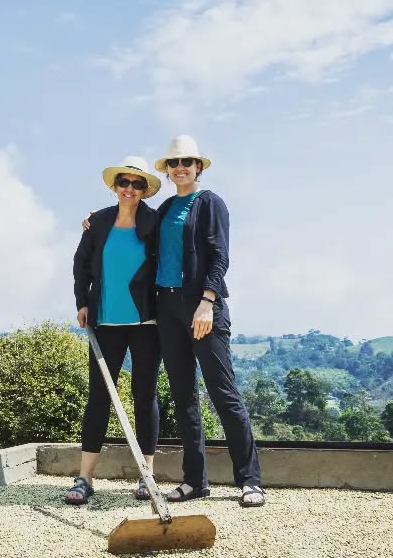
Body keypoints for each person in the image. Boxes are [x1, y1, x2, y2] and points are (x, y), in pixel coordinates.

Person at [151, 135, 265, 507]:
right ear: (167, 171)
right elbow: (133, 230)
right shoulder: (166, 207)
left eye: (187, 161)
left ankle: (250, 481)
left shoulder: (211, 203)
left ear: (198, 166)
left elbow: (220, 256)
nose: (180, 167)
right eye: (173, 162)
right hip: (167, 309)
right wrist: (94, 221)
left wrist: (207, 302)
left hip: (202, 307)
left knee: (223, 394)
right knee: (183, 397)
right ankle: (194, 481)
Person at [66, 156, 163, 506]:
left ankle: (146, 475)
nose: (130, 189)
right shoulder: (99, 223)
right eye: (124, 182)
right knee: (99, 397)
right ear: (114, 186)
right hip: (104, 323)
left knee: (144, 395)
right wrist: (82, 302)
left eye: (138, 184)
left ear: (144, 190)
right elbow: (80, 266)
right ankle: (84, 478)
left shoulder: (155, 221)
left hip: (146, 325)